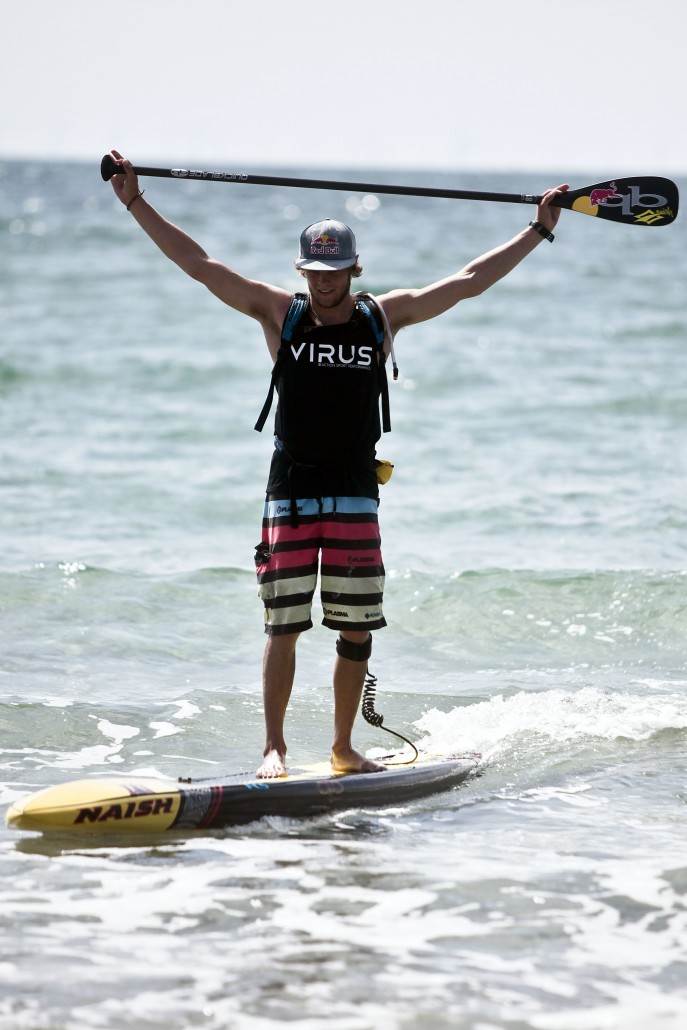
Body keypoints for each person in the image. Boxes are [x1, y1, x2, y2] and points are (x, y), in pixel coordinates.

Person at [107, 149, 567, 779]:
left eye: (334, 270)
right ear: (302, 268)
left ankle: (344, 747)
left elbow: (467, 281)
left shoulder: (383, 316)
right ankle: (274, 747)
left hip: (354, 492)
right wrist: (136, 202)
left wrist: (538, 229)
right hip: (291, 493)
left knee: (355, 630)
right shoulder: (280, 312)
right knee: (284, 626)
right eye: (314, 270)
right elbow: (200, 265)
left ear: (354, 268)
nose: (323, 282)